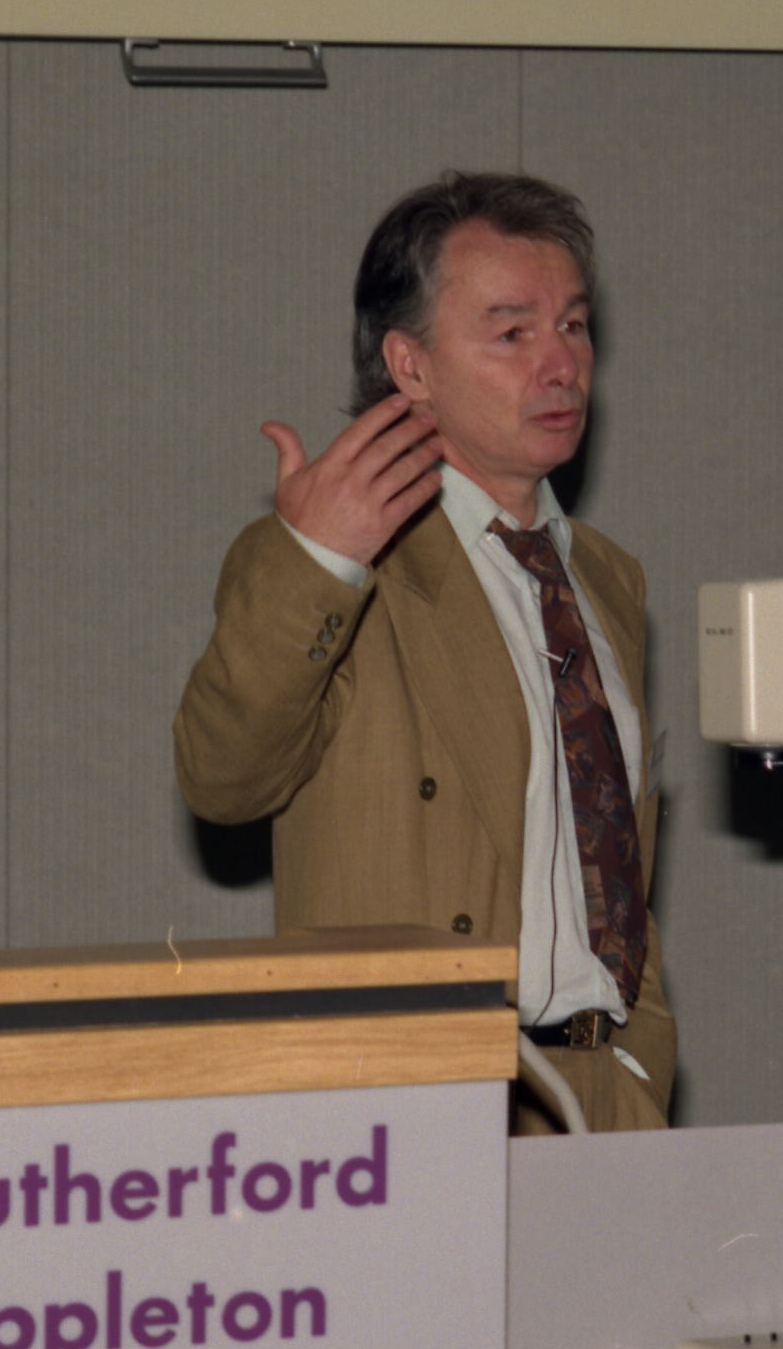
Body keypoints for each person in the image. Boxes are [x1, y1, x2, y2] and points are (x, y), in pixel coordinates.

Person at [175, 171, 673, 1133]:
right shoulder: (335, 565)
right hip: (414, 1099)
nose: (561, 364)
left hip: (602, 1101)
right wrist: (321, 562)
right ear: (410, 366)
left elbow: (611, 861)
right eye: (511, 333)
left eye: (573, 325)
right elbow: (221, 780)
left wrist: (638, 1061)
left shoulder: (608, 581)